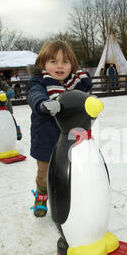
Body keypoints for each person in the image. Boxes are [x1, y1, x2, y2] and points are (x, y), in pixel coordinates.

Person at [27, 40, 92, 217]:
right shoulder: (39, 82)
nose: (59, 66)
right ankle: (41, 196)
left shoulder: (76, 84)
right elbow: (35, 95)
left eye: (65, 61)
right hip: (46, 139)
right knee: (44, 172)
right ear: (43, 63)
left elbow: (84, 102)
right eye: (53, 61)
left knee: (70, 171)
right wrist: (43, 104)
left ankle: (69, 198)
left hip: (71, 139)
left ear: (72, 64)